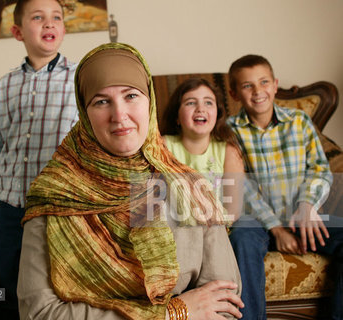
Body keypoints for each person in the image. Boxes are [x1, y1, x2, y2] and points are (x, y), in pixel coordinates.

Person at [17, 43, 244, 320]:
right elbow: (39, 313)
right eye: (101, 101)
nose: (120, 115)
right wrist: (173, 314)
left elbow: (225, 302)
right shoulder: (53, 195)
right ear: (84, 113)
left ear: (150, 103)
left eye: (131, 96)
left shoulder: (191, 188)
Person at [0, 0, 79, 318]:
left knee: (60, 286)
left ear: (64, 29)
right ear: (17, 32)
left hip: (60, 207)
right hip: (11, 211)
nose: (49, 24)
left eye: (56, 18)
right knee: (12, 287)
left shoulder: (80, 80)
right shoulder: (4, 86)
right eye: (38, 18)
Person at [227, 54, 343, 320]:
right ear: (234, 93)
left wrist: (306, 206)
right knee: (241, 236)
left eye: (264, 82)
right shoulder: (229, 131)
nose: (258, 91)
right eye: (247, 86)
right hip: (257, 222)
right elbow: (240, 184)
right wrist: (276, 229)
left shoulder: (300, 122)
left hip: (302, 216)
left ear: (275, 84)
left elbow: (319, 170)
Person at [162, 78, 244, 222]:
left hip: (216, 225)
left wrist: (210, 222)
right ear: (177, 117)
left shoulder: (229, 152)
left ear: (217, 114)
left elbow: (233, 211)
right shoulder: (163, 146)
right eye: (191, 103)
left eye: (208, 102)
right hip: (176, 225)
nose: (201, 108)